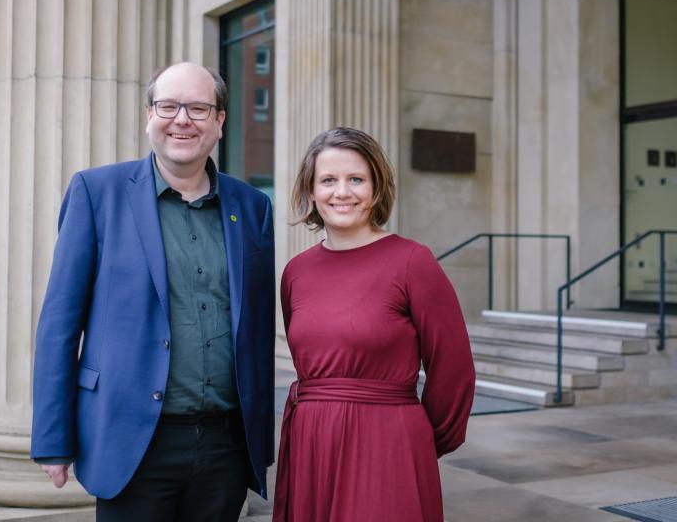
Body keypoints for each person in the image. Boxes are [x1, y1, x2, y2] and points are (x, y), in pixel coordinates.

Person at [30, 62, 275, 522]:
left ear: (220, 121)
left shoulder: (253, 206)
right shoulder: (96, 192)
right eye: (169, 106)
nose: (182, 119)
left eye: (199, 108)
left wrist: (260, 440)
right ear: (149, 115)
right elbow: (59, 326)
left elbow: (257, 331)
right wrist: (52, 438)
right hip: (132, 438)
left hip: (224, 445)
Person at [273, 127, 475, 522]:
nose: (342, 192)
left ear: (377, 188)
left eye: (356, 180)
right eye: (328, 180)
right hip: (311, 444)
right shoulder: (296, 272)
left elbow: (454, 369)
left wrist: (413, 440)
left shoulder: (413, 262)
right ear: (311, 192)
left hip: (388, 443)